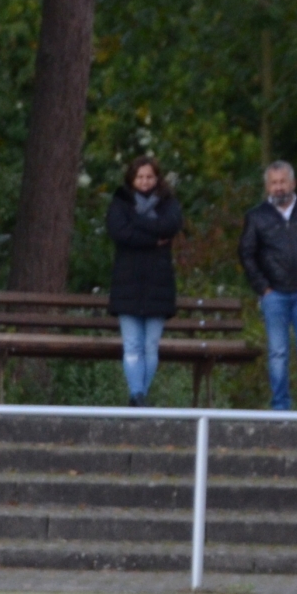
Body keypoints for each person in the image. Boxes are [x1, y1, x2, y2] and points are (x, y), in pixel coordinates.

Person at [239, 161, 297, 410]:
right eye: (274, 183)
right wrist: (263, 288)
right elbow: (247, 254)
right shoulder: (256, 216)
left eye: (282, 182)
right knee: (277, 353)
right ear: (267, 187)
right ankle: (280, 407)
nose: (278, 187)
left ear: (293, 183)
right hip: (274, 294)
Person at [106, 156, 183, 407]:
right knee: (132, 345)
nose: (145, 181)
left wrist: (136, 223)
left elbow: (170, 226)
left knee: (151, 346)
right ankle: (137, 395)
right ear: (132, 179)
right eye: (140, 177)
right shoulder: (120, 202)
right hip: (127, 284)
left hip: (158, 284)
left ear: (157, 178)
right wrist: (153, 239)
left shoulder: (169, 203)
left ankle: (139, 397)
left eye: (149, 176)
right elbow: (120, 232)